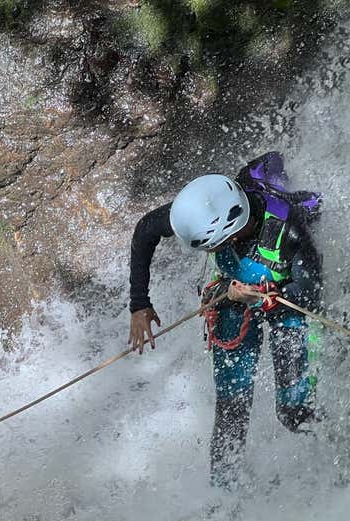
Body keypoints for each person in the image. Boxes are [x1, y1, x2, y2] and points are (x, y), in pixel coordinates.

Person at [127, 151, 323, 489]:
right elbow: (146, 230)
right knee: (232, 407)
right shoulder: (206, 204)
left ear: (229, 236)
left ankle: (334, 463)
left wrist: (263, 297)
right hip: (232, 298)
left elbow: (311, 293)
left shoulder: (290, 229)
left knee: (294, 412)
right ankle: (224, 498)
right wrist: (139, 303)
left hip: (288, 300)